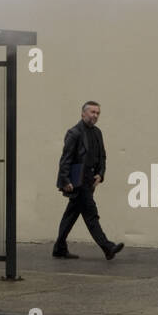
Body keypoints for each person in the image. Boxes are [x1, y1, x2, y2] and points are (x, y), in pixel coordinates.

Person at [52, 101, 123, 261]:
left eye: (98, 113)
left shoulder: (97, 133)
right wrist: (65, 180)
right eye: (92, 112)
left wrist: (101, 174)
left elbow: (102, 156)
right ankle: (107, 247)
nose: (95, 115)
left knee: (70, 215)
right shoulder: (74, 133)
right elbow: (65, 159)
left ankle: (59, 248)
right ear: (83, 113)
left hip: (90, 181)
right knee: (91, 214)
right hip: (78, 182)